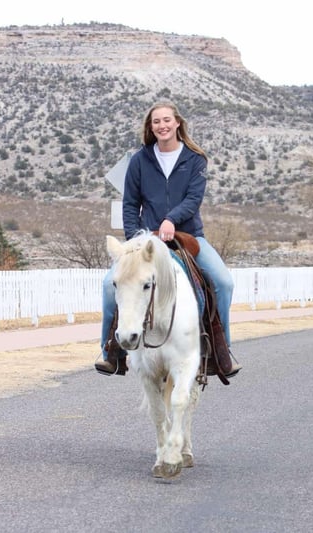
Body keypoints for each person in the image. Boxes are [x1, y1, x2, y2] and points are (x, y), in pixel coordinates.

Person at [96, 100, 241, 378]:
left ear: (177, 123)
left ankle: (221, 351)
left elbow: (193, 199)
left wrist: (171, 219)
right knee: (108, 285)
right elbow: (130, 204)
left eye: (166, 120)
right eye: (156, 121)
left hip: (188, 236)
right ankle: (111, 352)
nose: (162, 125)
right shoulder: (139, 160)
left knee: (224, 282)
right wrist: (134, 241)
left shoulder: (195, 159)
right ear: (150, 127)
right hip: (146, 239)